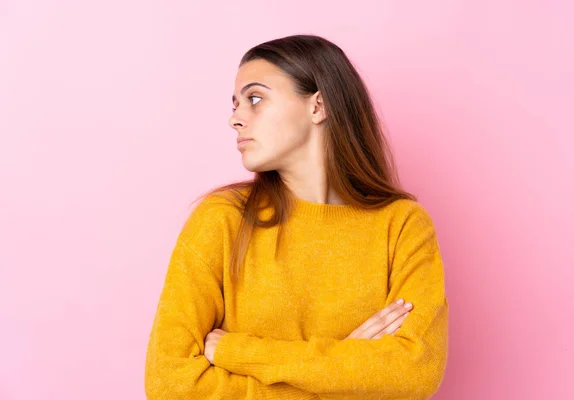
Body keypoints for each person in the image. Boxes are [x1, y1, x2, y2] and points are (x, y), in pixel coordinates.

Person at [144, 34, 449, 399]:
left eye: (255, 98)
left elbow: (414, 373)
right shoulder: (221, 220)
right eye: (236, 103)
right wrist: (350, 370)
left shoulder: (401, 226)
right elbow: (170, 384)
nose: (235, 118)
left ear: (318, 106)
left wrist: (237, 351)